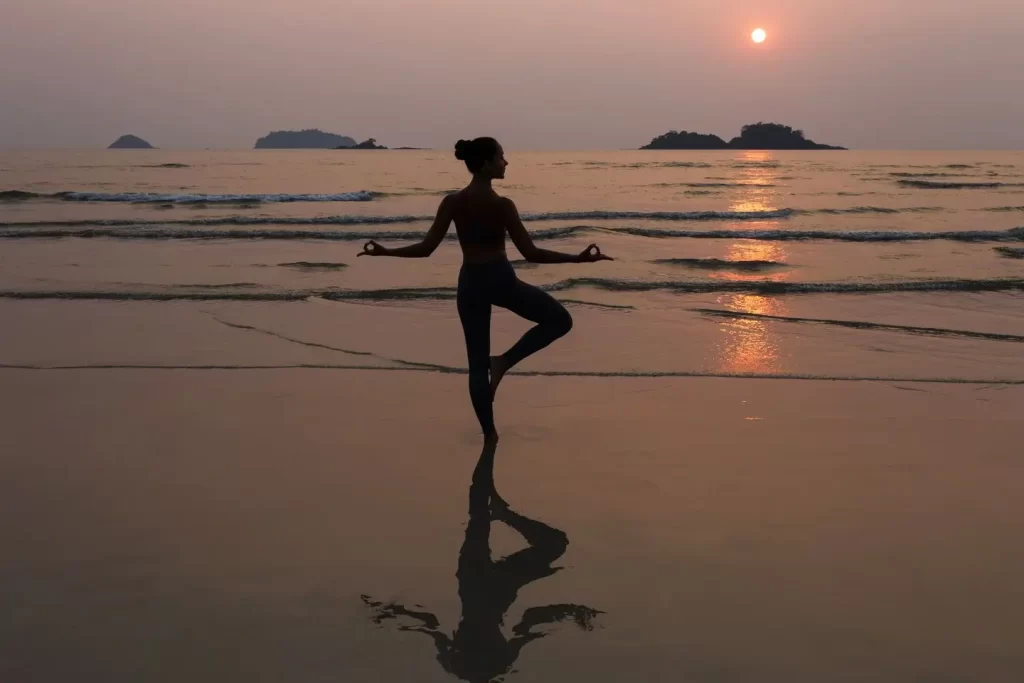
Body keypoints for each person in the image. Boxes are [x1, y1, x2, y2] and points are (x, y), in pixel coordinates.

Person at [358, 137, 611, 443]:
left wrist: (386, 252)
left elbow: (426, 249)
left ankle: (489, 434)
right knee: (560, 320)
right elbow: (530, 253)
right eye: (502, 157)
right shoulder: (502, 205)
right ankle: (504, 361)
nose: (506, 162)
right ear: (487, 163)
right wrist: (577, 259)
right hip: (500, 279)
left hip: (470, 283)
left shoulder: (452, 202)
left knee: (476, 365)